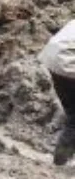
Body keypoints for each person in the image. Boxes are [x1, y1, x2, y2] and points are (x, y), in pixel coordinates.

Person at [41, 19, 75, 165]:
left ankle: (62, 159)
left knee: (73, 115)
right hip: (67, 63)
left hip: (54, 62)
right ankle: (61, 161)